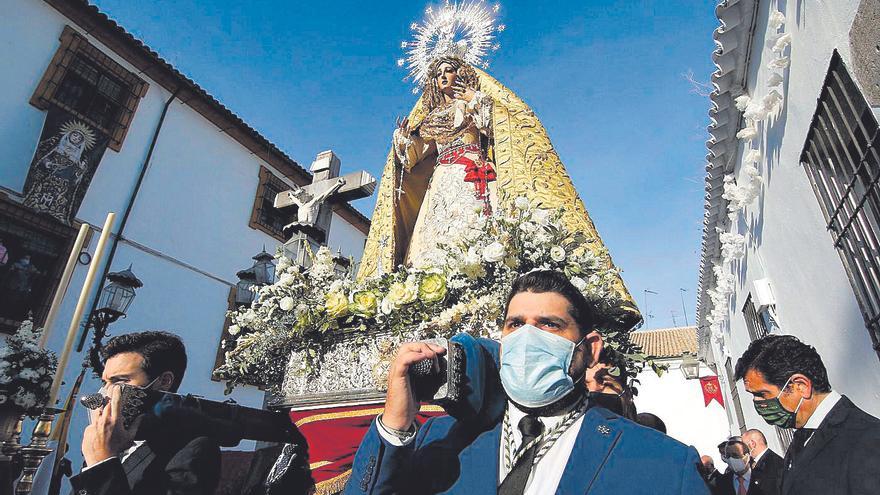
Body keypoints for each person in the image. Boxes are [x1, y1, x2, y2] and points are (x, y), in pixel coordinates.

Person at [344, 270, 707, 494]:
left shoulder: (664, 463)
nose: (527, 338)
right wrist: (395, 423)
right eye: (515, 324)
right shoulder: (440, 438)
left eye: (549, 324)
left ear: (590, 348)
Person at [69, 331, 221, 495]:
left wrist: (101, 463)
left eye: (119, 381)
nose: (107, 392)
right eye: (105, 382)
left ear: (164, 381)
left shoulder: (194, 449)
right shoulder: (109, 438)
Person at [734, 334, 880, 494]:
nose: (757, 403)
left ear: (801, 386)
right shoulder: (801, 439)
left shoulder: (868, 442)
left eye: (762, 394)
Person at [742, 429, 783, 495]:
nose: (742, 451)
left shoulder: (771, 464)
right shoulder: (757, 463)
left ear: (752, 444)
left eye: (743, 446)